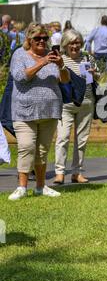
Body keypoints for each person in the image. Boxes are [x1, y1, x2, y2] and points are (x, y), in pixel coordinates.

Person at [8, 23, 70, 200]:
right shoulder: (20, 54)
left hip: (49, 110)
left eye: (45, 38)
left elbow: (64, 81)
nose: (42, 41)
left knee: (42, 151)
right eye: (38, 38)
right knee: (26, 147)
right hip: (24, 111)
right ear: (29, 39)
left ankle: (41, 187)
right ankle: (22, 187)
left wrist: (61, 65)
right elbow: (21, 77)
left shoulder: (54, 55)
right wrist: (42, 62)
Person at [54, 29, 99, 185]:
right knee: (62, 138)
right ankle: (59, 172)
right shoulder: (60, 59)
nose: (75, 46)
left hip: (86, 102)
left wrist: (94, 74)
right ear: (65, 44)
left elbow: (98, 76)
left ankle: (76, 172)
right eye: (72, 43)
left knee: (81, 140)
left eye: (77, 42)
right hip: (66, 104)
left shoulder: (88, 58)